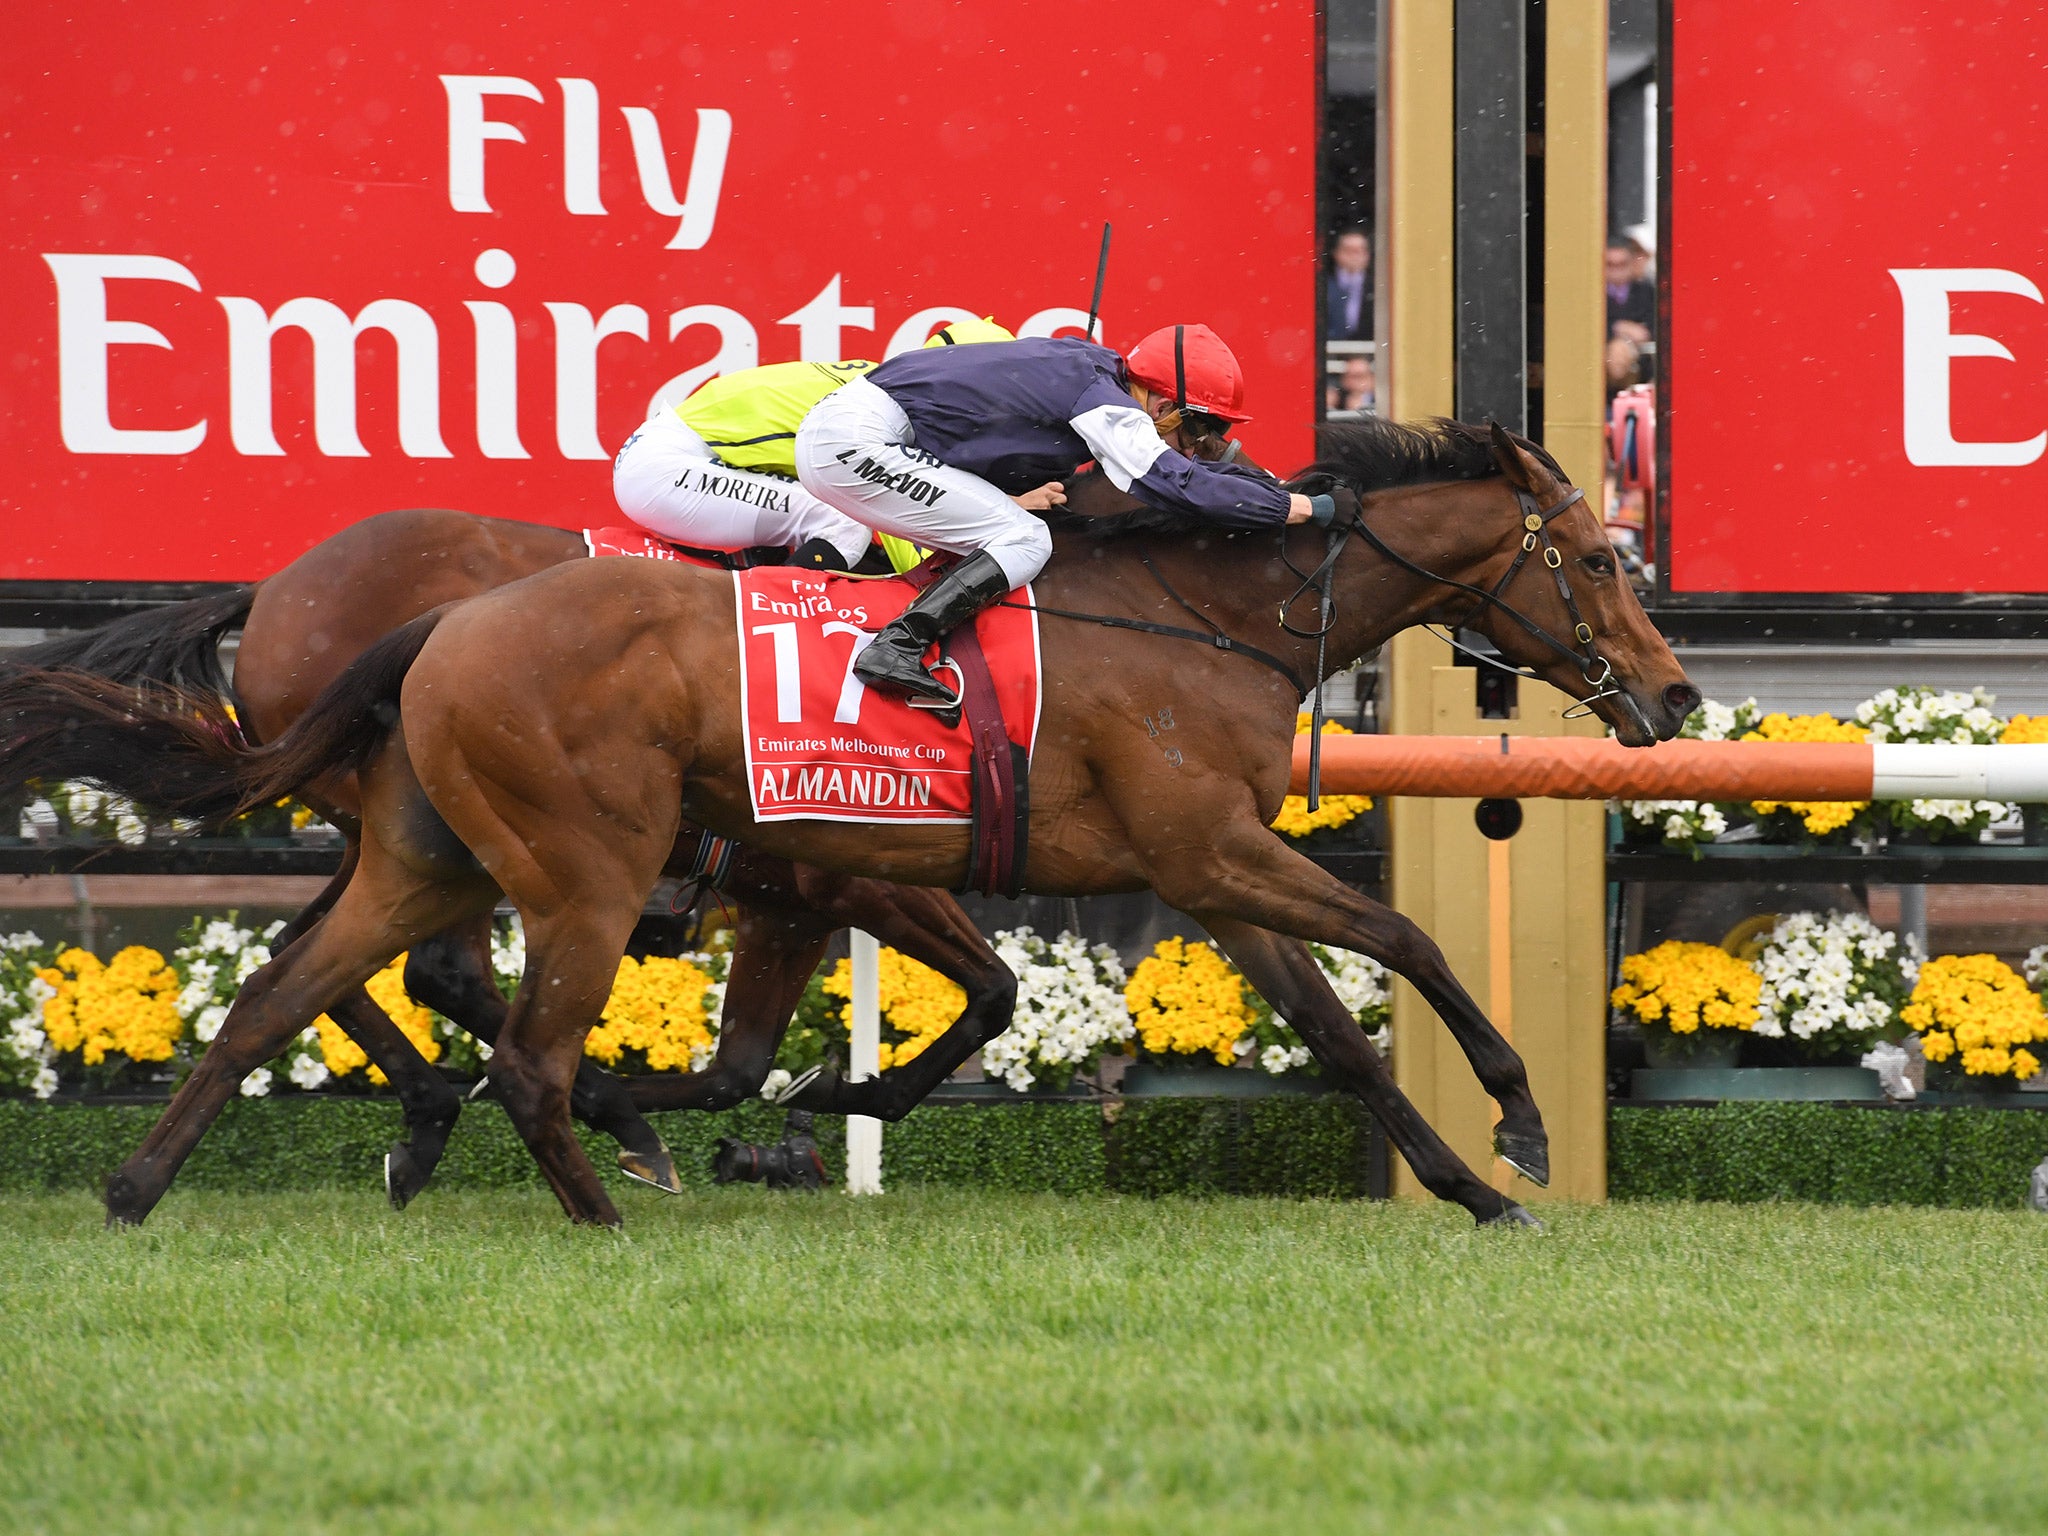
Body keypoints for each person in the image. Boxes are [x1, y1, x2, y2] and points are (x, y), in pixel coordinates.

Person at [793, 325, 1356, 705]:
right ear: (1162, 406)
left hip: (863, 433)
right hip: (857, 442)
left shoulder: (1092, 377)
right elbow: (1175, 486)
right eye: (1194, 431)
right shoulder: (1106, 399)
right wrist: (1305, 507)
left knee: (1015, 531)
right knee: (1026, 541)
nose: (1192, 447)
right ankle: (896, 645)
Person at [611, 317, 1015, 571]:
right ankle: (769, 621)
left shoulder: (885, 386)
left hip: (669, 456)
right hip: (667, 467)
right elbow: (894, 517)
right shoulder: (892, 409)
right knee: (843, 525)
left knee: (829, 513)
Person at [1605, 236, 1655, 344]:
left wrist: (1644, 333)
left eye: (1622, 264)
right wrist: (1616, 327)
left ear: (1632, 263)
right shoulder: (1594, 296)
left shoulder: (1647, 292)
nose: (1616, 272)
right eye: (1610, 265)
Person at [1324, 228, 1371, 342]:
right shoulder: (1323, 285)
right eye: (1348, 250)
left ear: (1367, 255)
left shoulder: (1378, 287)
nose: (1354, 255)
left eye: (1360, 250)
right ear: (1336, 253)